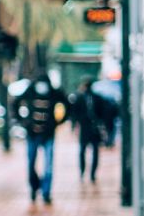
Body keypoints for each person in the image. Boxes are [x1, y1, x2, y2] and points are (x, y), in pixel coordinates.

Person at [15, 73, 68, 205]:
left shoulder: (54, 93)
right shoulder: (30, 91)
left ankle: (46, 192)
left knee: (48, 165)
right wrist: (23, 122)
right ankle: (34, 187)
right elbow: (15, 103)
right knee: (31, 163)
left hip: (48, 134)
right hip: (32, 134)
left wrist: (57, 122)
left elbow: (67, 104)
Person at [68, 78, 110, 183]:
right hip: (89, 127)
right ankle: (88, 173)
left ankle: (88, 173)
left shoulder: (87, 98)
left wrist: (74, 125)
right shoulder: (85, 98)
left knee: (88, 151)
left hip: (89, 128)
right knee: (88, 151)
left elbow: (75, 114)